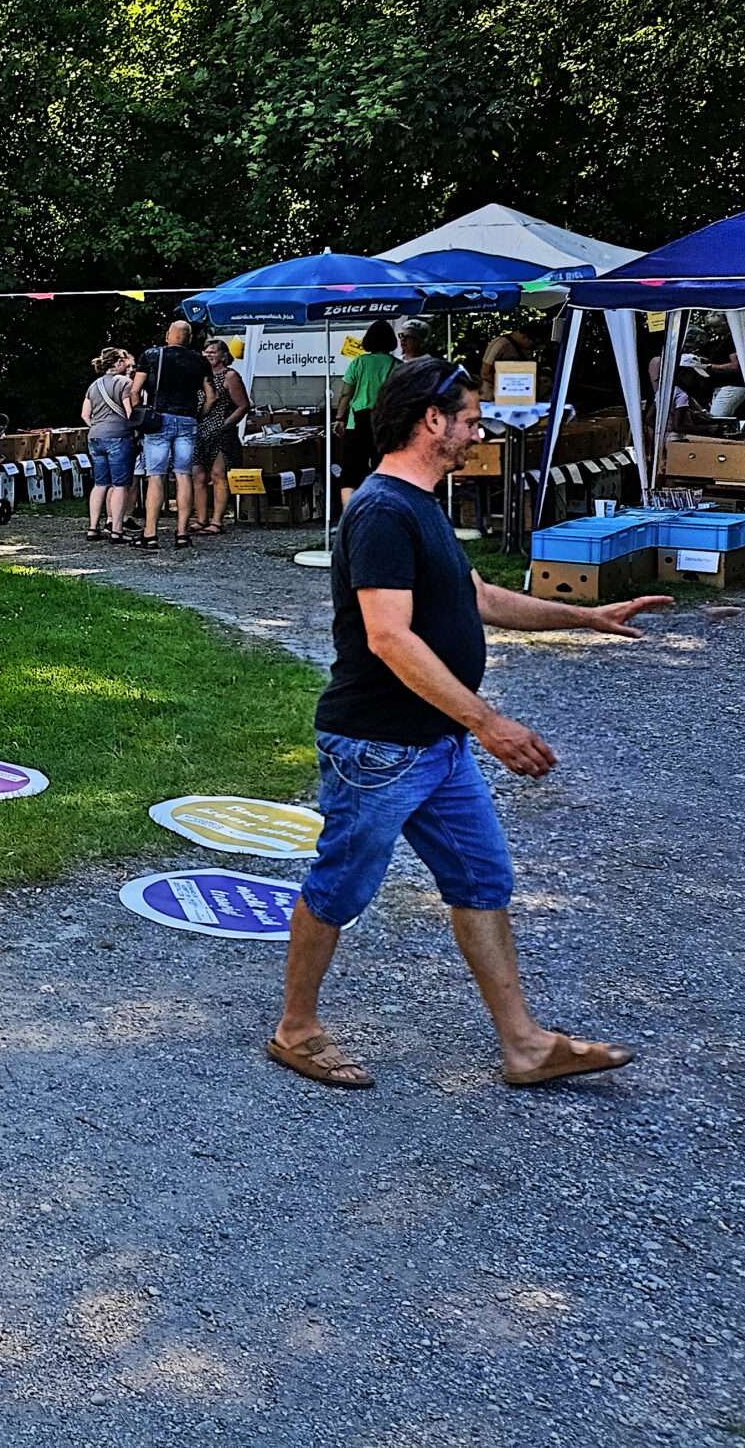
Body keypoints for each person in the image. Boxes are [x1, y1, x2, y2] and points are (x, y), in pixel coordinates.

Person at [267, 356, 666, 1092]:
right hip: (378, 749)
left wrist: (585, 615)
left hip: (436, 747)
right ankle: (296, 1029)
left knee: (481, 878)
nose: (478, 433)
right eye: (472, 421)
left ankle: (524, 1045)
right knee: (340, 887)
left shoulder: (420, 504)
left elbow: (477, 596)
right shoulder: (385, 510)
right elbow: (389, 636)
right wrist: (488, 723)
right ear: (432, 421)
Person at [128, 318, 210, 549]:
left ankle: (150, 534)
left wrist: (140, 414)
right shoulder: (199, 361)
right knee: (183, 475)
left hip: (158, 420)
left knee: (155, 475)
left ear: (167, 335)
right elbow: (210, 396)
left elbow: (135, 390)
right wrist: (197, 415)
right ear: (190, 339)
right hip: (187, 420)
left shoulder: (151, 355)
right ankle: (182, 533)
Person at [191, 337, 253, 535]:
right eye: (206, 352)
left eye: (213, 352)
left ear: (224, 356)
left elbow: (243, 405)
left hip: (221, 432)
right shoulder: (198, 375)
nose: (208, 355)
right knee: (198, 475)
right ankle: (201, 519)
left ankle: (217, 521)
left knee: (218, 475)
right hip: (199, 431)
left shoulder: (230, 376)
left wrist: (225, 424)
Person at [335, 320, 400, 511]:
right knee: (385, 468)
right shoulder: (398, 365)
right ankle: (385, 508)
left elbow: (346, 394)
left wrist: (339, 418)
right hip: (386, 425)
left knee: (351, 470)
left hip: (357, 424)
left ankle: (350, 510)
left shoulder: (358, 363)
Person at [81, 346, 136, 543]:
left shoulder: (93, 385)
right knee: (120, 485)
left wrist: (98, 427)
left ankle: (93, 528)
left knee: (100, 483)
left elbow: (85, 415)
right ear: (118, 363)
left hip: (95, 437)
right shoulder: (125, 383)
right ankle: (117, 531)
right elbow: (130, 412)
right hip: (119, 436)